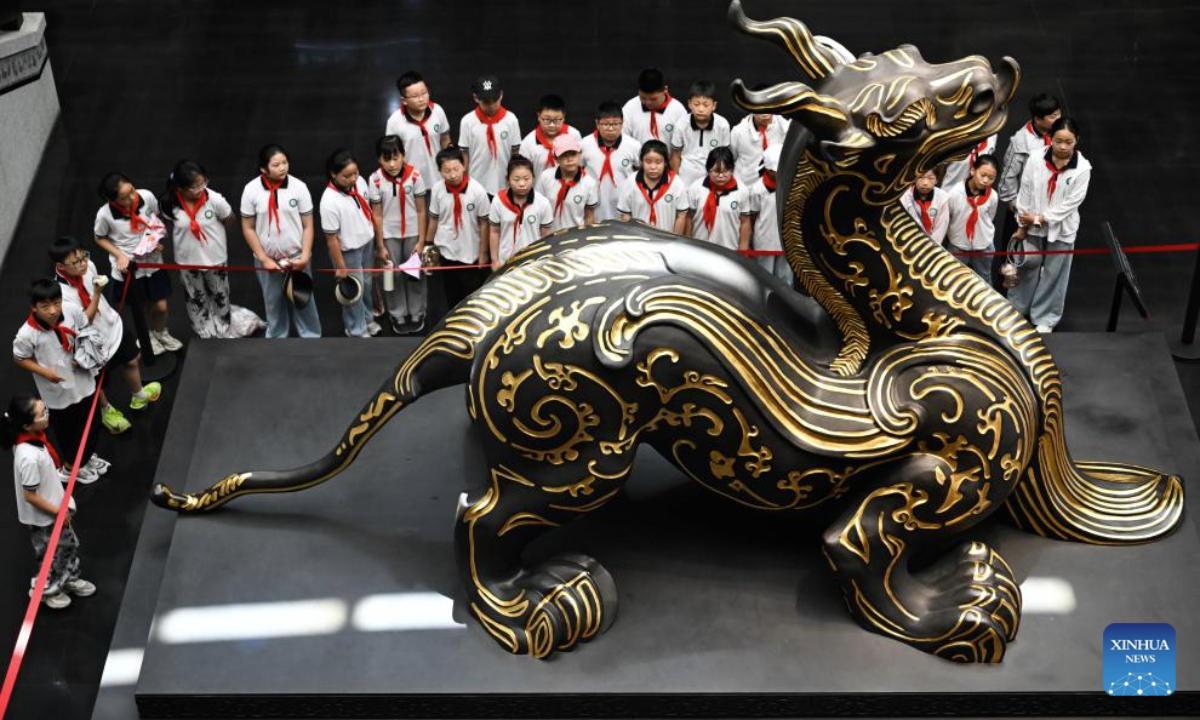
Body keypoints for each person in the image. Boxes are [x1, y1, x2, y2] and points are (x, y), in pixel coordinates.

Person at [49, 236, 162, 436]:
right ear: (61, 266)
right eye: (76, 262)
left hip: (112, 325)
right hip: (92, 343)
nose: (83, 264)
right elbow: (84, 321)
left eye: (84, 257)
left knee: (132, 359)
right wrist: (97, 294)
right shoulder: (61, 296)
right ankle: (106, 410)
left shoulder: (89, 266)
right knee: (97, 381)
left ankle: (139, 395)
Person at [3, 396, 96, 610]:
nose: (47, 414)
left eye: (45, 408)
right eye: (42, 413)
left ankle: (69, 578)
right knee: (51, 555)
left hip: (54, 507)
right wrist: (59, 512)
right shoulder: (28, 456)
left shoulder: (34, 437)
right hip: (45, 517)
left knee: (67, 547)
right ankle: (47, 590)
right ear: (27, 425)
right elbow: (30, 496)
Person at [11, 280, 105, 484]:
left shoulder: (71, 310)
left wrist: (83, 353)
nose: (53, 310)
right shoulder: (27, 334)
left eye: (56, 303)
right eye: (45, 306)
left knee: (92, 421)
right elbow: (19, 358)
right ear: (34, 307)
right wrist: (45, 373)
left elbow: (84, 326)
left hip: (82, 380)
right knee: (68, 432)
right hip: (56, 392)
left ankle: (83, 458)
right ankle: (70, 468)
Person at [1010, 117, 1091, 333]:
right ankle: (1017, 308)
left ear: (1076, 141)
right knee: (1028, 266)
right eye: (1058, 141)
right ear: (1050, 139)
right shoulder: (1035, 158)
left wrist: (1040, 218)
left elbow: (1070, 204)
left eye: (1068, 142)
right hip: (1030, 223)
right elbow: (1025, 191)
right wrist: (1022, 225)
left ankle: (1045, 317)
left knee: (1054, 273)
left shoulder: (1083, 169)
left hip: (1061, 228)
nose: (1063, 147)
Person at [93, 172, 183, 356]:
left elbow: (155, 220)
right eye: (124, 198)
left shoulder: (146, 196)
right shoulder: (104, 215)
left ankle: (160, 332)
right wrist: (119, 255)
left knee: (161, 306)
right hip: (130, 269)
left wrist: (155, 240)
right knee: (141, 307)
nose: (132, 198)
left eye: (132, 190)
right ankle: (146, 337)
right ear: (112, 200)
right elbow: (99, 237)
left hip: (152, 264)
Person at [240, 143, 321, 338]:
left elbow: (308, 225)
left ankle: (311, 337)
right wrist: (263, 258)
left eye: (285, 162)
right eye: (276, 165)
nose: (283, 168)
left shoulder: (299, 187)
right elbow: (248, 228)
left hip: (297, 257)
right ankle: (277, 338)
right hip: (268, 260)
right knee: (273, 302)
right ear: (263, 169)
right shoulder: (251, 190)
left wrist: (305, 256)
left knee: (303, 300)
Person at [159, 160, 239, 338]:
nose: (201, 189)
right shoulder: (168, 204)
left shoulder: (215, 199)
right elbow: (170, 223)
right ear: (180, 188)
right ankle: (202, 328)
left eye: (203, 183)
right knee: (195, 297)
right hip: (187, 261)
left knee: (220, 294)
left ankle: (223, 326)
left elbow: (230, 218)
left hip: (215, 259)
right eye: (195, 187)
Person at [368, 135, 429, 335]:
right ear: (379, 159)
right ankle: (397, 313)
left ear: (403, 155)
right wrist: (380, 246)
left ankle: (417, 311)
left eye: (396, 158)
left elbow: (421, 210)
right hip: (388, 236)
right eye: (386, 159)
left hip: (413, 233)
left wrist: (421, 241)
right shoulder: (375, 180)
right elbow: (377, 215)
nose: (392, 164)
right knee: (390, 275)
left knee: (414, 273)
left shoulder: (415, 175)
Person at [322, 149, 382, 338]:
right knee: (353, 291)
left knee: (367, 285)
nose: (353, 178)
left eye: (355, 173)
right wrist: (341, 266)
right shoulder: (329, 201)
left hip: (366, 244)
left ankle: (368, 319)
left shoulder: (360, 182)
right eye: (347, 176)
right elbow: (331, 239)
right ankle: (356, 329)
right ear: (333, 174)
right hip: (348, 252)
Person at [997, 93, 1062, 265]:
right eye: (1052, 116)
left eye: (1058, 113)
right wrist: (1016, 206)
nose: (1058, 118)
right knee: (1014, 258)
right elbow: (1008, 176)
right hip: (1025, 208)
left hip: (1050, 206)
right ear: (1038, 119)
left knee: (1048, 257)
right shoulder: (1021, 141)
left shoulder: (1060, 133)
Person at [427, 146, 491, 309]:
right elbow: (434, 218)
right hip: (446, 252)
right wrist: (428, 245)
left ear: (464, 166)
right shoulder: (437, 189)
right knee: (452, 297)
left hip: (470, 253)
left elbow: (484, 223)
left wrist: (483, 253)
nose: (452, 175)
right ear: (440, 171)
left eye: (456, 169)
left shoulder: (477, 191)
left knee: (472, 297)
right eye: (447, 171)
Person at [675, 146, 752, 251]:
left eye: (725, 171)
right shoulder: (696, 188)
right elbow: (689, 218)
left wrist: (743, 248)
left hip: (729, 250)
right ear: (708, 169)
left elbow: (745, 221)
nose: (721, 176)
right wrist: (689, 244)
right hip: (700, 249)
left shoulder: (742, 190)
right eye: (716, 171)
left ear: (732, 169)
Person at [385, 71, 452, 185]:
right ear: (404, 100)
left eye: (424, 93)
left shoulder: (437, 111)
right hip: (411, 182)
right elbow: (392, 153)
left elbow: (445, 138)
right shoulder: (394, 122)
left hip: (439, 178)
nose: (421, 99)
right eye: (415, 96)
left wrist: (448, 164)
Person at [459, 75, 521, 196]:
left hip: (504, 184)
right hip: (476, 184)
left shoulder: (511, 120)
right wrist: (464, 183)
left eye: (495, 100)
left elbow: (515, 153)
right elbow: (465, 155)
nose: (491, 105)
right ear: (476, 98)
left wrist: (514, 179)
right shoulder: (467, 121)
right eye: (486, 102)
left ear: (501, 95)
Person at [488, 155, 553, 267]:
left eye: (526, 179)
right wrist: (495, 260)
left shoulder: (543, 203)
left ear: (533, 178)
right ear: (508, 179)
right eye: (516, 179)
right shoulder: (498, 201)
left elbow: (546, 235)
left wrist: (544, 261)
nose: (522, 184)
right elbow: (494, 231)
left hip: (533, 262)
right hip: (505, 262)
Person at [580, 101, 640, 221]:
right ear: (597, 124)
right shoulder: (585, 144)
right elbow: (578, 169)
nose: (611, 128)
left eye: (616, 124)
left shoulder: (633, 145)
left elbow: (640, 171)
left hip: (624, 205)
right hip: (594, 204)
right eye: (606, 124)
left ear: (622, 123)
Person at [946, 154, 1001, 279]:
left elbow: (990, 218)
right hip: (958, 245)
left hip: (983, 246)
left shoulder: (993, 196)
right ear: (972, 171)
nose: (986, 181)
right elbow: (950, 217)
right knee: (953, 279)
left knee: (984, 279)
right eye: (983, 175)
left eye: (991, 178)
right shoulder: (955, 193)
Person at [670, 80, 731, 187]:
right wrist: (676, 181)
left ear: (714, 106)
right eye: (696, 104)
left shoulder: (722, 125)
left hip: (712, 178)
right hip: (686, 178)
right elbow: (676, 155)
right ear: (689, 104)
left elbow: (725, 156)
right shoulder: (681, 124)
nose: (701, 109)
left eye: (705, 105)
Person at [616, 139, 684, 233]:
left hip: (666, 239)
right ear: (641, 161)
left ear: (665, 162)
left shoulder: (676, 183)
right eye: (648, 161)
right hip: (639, 238)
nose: (653, 167)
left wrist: (675, 240)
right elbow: (625, 215)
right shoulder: (631, 182)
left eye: (658, 162)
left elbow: (681, 216)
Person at [747, 145, 792, 285]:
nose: (779, 173)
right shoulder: (757, 189)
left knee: (785, 277)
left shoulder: (791, 185)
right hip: (764, 240)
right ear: (766, 168)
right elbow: (753, 215)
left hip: (785, 239)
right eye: (775, 171)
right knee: (764, 277)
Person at [535, 134, 598, 232]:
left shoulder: (589, 183)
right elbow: (537, 209)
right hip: (548, 236)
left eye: (573, 154)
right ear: (556, 158)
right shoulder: (545, 177)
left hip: (576, 235)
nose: (569, 159)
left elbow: (589, 217)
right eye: (564, 155)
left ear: (580, 154)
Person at [518, 94, 583, 179]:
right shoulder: (528, 143)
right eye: (547, 119)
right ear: (539, 116)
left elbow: (580, 164)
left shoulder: (573, 135)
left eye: (557, 120)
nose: (552, 125)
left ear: (564, 117)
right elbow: (523, 174)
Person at [729, 105, 791, 187]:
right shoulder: (738, 132)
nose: (764, 112)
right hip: (746, 186)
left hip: (775, 186)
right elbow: (731, 159)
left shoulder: (785, 127)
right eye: (759, 106)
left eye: (766, 105)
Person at [622, 68, 688, 144]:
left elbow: (684, 141)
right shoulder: (629, 107)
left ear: (665, 90)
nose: (648, 103)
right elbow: (623, 138)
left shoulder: (678, 110)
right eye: (643, 98)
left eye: (653, 99)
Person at [900, 167, 950, 246]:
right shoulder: (905, 197)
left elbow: (941, 227)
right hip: (909, 242)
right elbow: (902, 225)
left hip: (932, 244)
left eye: (931, 178)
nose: (925, 183)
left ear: (936, 180)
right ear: (914, 179)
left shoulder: (942, 197)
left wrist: (931, 246)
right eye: (920, 177)